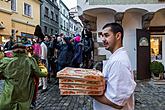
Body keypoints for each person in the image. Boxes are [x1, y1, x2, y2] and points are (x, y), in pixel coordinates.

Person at [91, 23, 136, 110]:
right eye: (102, 36)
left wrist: (88, 91)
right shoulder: (115, 57)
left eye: (107, 35)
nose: (103, 39)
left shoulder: (118, 61)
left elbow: (117, 103)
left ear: (118, 36)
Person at [0, 43, 47, 110]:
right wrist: (42, 66)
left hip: (10, 93)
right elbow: (41, 74)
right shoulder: (30, 61)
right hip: (25, 92)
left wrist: (6, 76)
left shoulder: (5, 61)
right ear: (25, 51)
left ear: (13, 51)